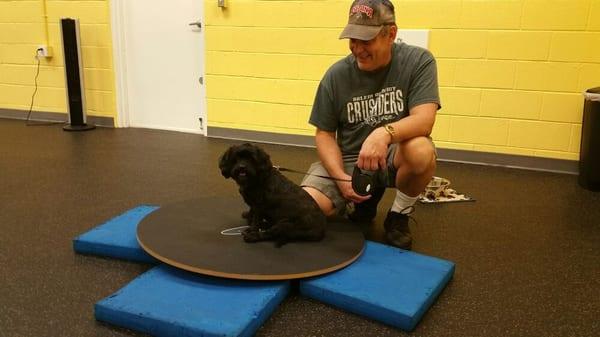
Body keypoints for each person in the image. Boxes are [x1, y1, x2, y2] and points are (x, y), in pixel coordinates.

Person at [301, 0, 440, 250]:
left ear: (391, 34)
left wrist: (383, 134)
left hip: (393, 156)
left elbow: (425, 119)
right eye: (353, 40)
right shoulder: (336, 76)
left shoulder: (419, 61)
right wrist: (340, 178)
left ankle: (398, 216)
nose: (357, 49)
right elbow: (324, 134)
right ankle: (364, 203)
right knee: (307, 209)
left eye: (366, 40)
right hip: (350, 160)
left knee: (421, 151)